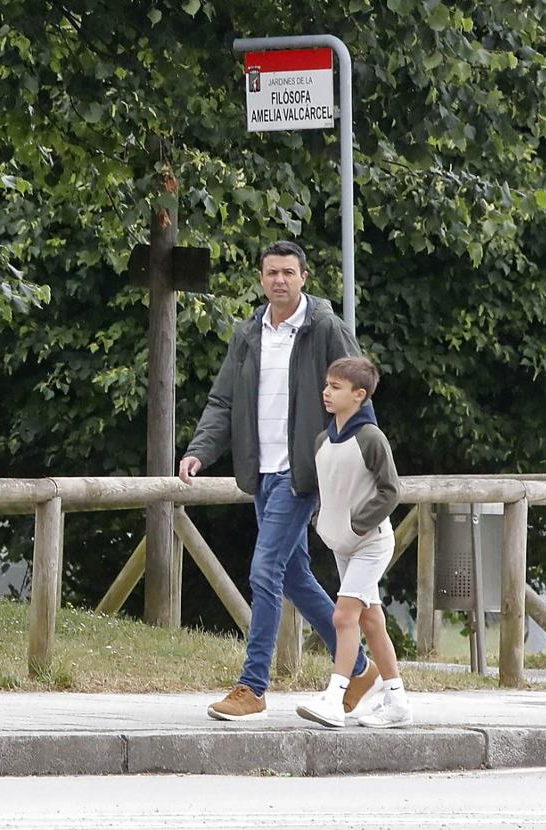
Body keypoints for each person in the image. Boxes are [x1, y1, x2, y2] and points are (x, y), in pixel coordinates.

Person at [178, 240, 381, 721]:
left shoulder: (324, 328)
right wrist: (199, 451)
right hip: (262, 472)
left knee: (263, 570)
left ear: (304, 277)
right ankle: (358, 668)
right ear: (261, 278)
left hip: (303, 472)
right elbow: (223, 401)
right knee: (292, 575)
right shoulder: (248, 334)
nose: (279, 281)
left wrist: (359, 460)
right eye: (271, 273)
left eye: (288, 272)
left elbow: (361, 392)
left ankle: (252, 688)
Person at [296, 356, 410, 728]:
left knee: (344, 615)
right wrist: (323, 523)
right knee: (372, 622)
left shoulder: (371, 438)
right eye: (327, 385)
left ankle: (335, 697)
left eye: (336, 387)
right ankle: (397, 702)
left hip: (371, 543)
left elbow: (390, 491)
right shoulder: (322, 441)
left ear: (359, 395)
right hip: (342, 544)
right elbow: (327, 490)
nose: (326, 392)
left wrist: (357, 526)